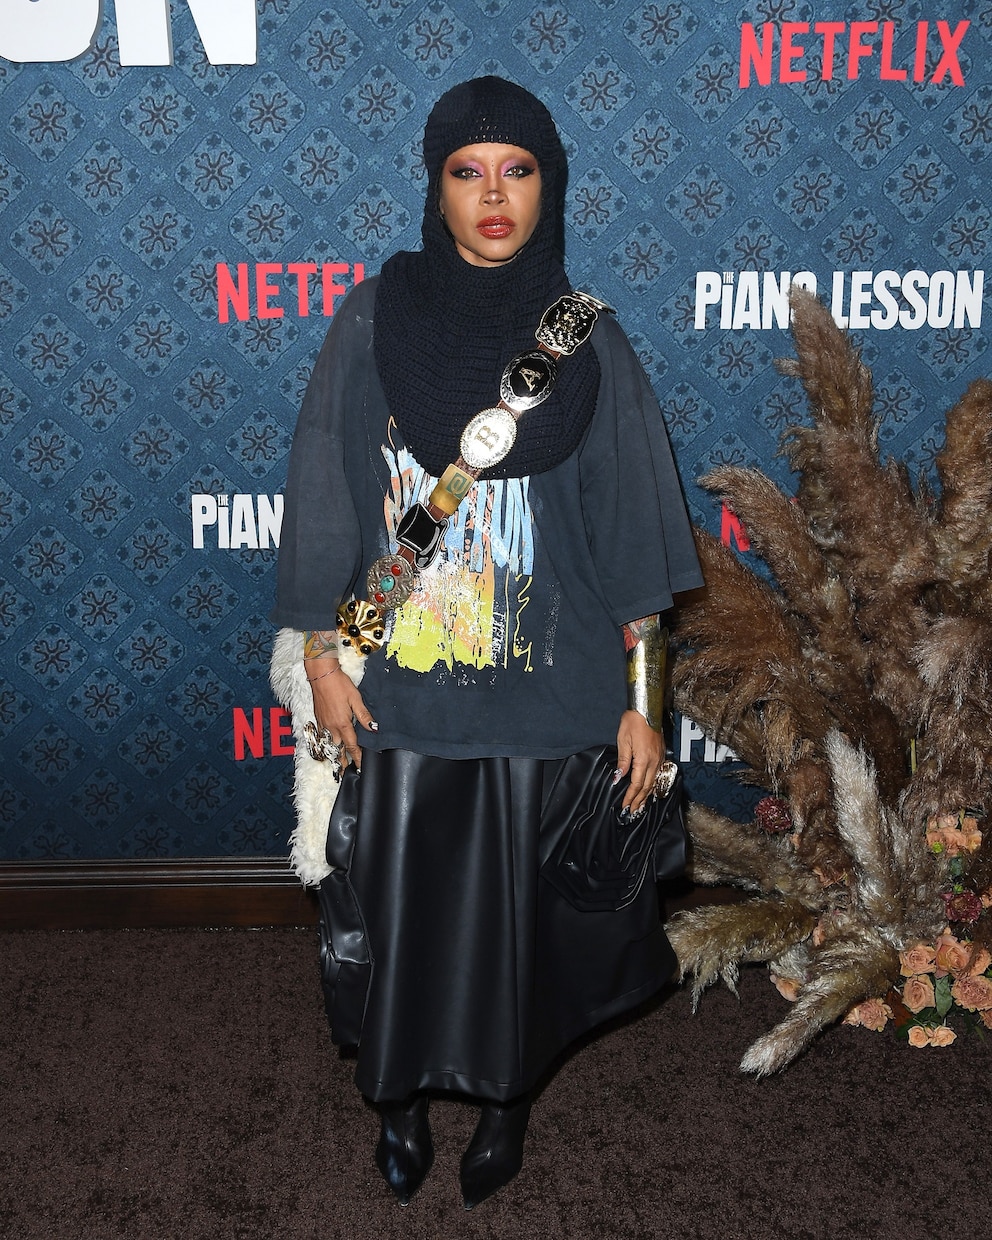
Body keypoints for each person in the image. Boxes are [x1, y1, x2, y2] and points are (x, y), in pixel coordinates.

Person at [272, 76, 702, 1209]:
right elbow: (322, 491)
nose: (492, 195)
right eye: (468, 172)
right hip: (404, 694)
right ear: (435, 187)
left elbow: (633, 537)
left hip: (550, 695)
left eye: (516, 170)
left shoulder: (587, 337)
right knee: (398, 916)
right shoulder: (373, 317)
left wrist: (641, 699)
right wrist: (322, 657)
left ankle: (507, 1103)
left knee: (523, 933)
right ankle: (399, 1100)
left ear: (546, 185)